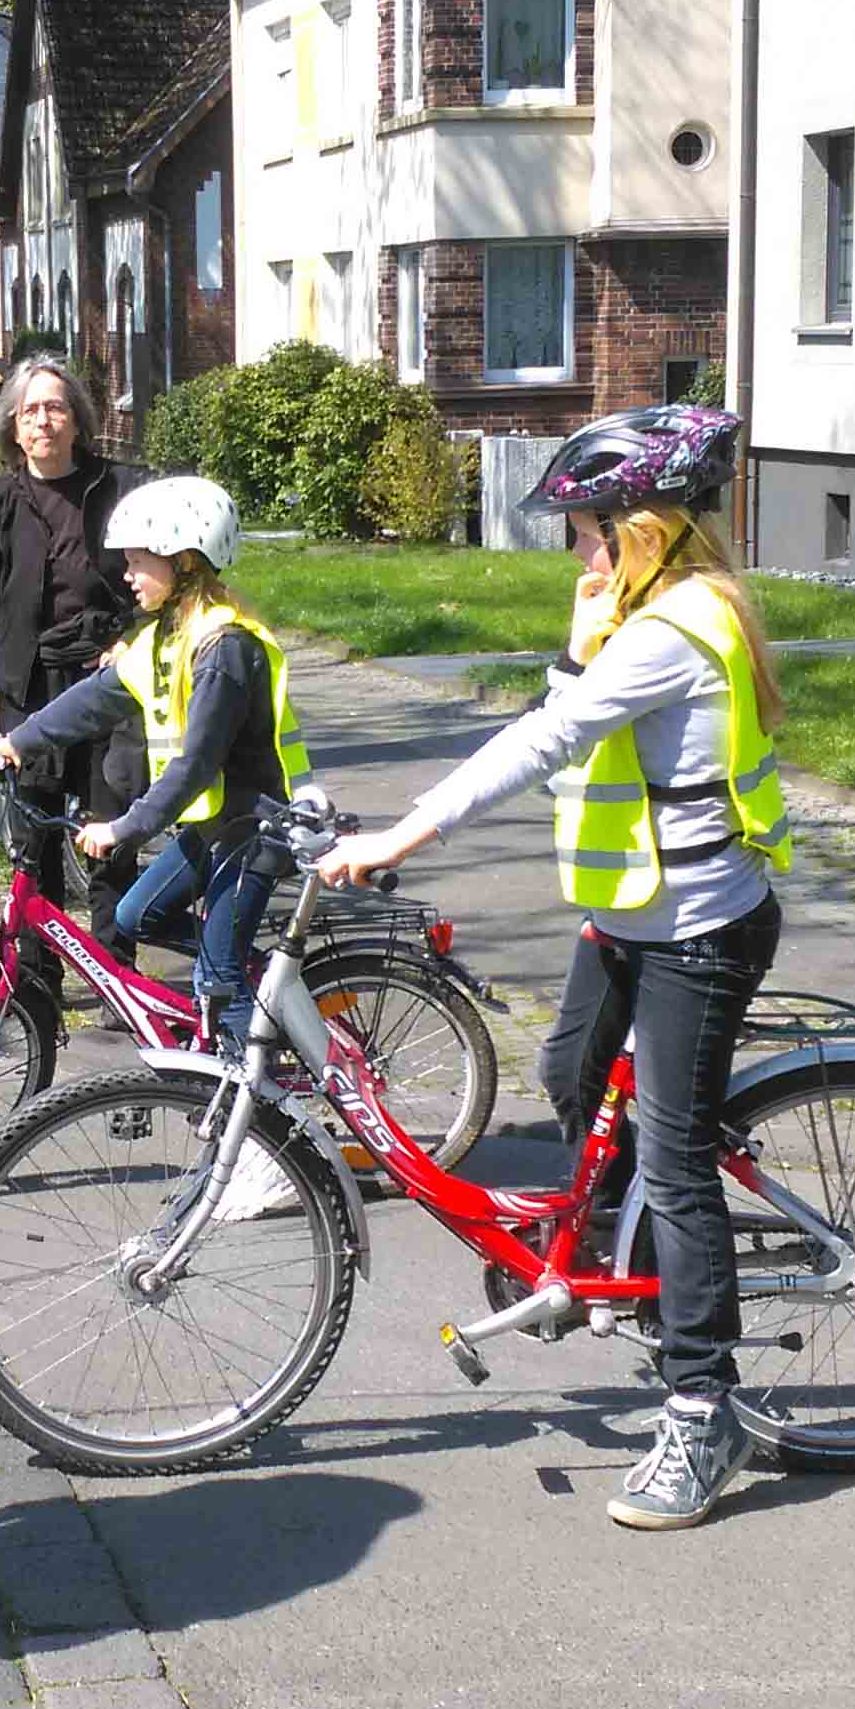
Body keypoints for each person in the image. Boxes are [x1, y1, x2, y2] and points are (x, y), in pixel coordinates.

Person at [319, 405, 792, 1533]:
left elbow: (544, 737)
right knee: (572, 1073)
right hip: (634, 912)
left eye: (585, 532)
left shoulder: (676, 627)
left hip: (697, 926)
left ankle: (701, 1403)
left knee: (672, 1158)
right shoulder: (649, 615)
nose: (576, 553)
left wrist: (402, 833)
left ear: (644, 530)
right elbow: (570, 706)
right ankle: (619, 1264)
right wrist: (580, 633)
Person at [0, 474, 306, 1049]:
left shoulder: (223, 648)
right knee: (136, 918)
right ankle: (266, 981)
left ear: (183, 560)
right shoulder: (164, 638)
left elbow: (196, 765)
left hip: (256, 829)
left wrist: (125, 828)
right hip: (214, 826)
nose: (126, 575)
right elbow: (94, 700)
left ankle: (255, 1106)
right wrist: (19, 741)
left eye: (137, 562)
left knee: (217, 976)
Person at [0, 354, 143, 948]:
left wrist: (136, 637)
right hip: (29, 689)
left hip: (107, 684)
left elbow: (162, 580)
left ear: (77, 420)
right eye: (30, 411)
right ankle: (38, 976)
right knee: (33, 842)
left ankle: (115, 974)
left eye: (55, 408)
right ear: (14, 427)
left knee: (110, 836)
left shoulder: (119, 489)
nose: (43, 421)